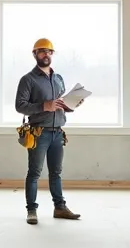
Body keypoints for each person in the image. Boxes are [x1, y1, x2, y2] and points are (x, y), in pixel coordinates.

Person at [14, 38, 81, 225]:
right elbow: (20, 106)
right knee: (34, 173)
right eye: (42, 51)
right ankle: (31, 211)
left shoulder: (58, 79)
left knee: (56, 173)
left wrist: (72, 104)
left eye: (49, 51)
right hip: (39, 133)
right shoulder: (28, 80)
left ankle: (60, 208)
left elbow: (60, 105)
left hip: (58, 133)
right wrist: (45, 105)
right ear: (35, 54)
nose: (46, 54)